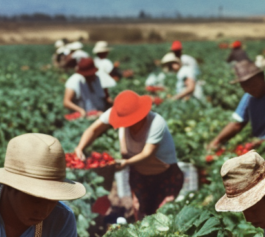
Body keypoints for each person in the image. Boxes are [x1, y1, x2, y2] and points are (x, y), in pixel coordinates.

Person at [74, 90, 183, 219]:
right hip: (139, 173)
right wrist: (80, 148)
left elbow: (147, 153)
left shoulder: (156, 123)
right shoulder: (117, 113)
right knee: (140, 213)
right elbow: (93, 129)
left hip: (165, 175)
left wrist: (126, 162)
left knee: (163, 216)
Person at [208, 60, 265, 151]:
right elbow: (237, 124)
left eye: (251, 83)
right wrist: (217, 140)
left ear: (262, 77)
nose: (248, 88)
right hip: (259, 145)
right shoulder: (248, 97)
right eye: (244, 85)